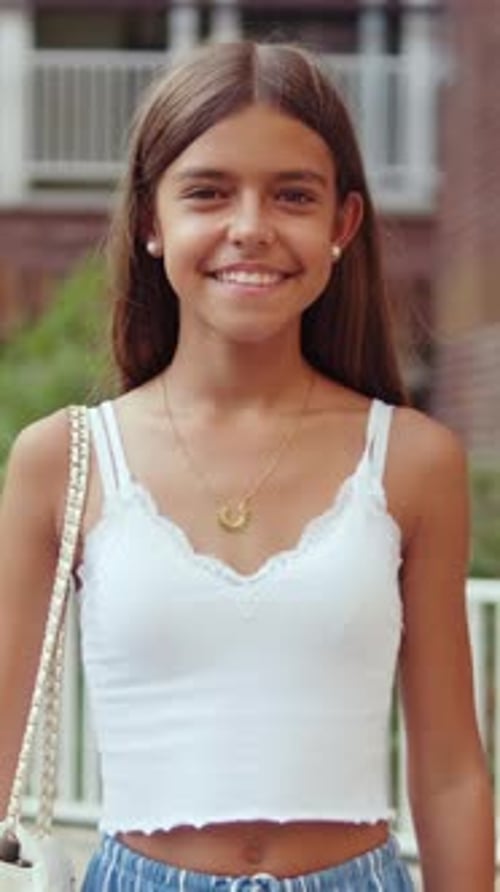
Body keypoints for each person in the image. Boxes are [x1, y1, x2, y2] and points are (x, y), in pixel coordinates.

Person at [0, 40, 494, 891]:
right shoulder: (64, 457)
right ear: (152, 220)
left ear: (342, 224)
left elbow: (449, 770)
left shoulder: (413, 460)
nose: (251, 227)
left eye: (293, 195)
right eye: (208, 192)